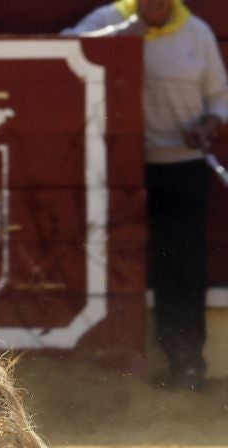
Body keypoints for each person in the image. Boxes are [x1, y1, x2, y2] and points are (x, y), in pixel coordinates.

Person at [68, 0, 228, 390]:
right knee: (109, 264)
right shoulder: (111, 19)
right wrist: (120, 37)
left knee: (182, 269)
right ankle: (106, 377)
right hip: (117, 169)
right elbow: (63, 51)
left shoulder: (197, 32)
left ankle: (186, 365)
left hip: (182, 165)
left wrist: (209, 124)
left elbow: (221, 98)